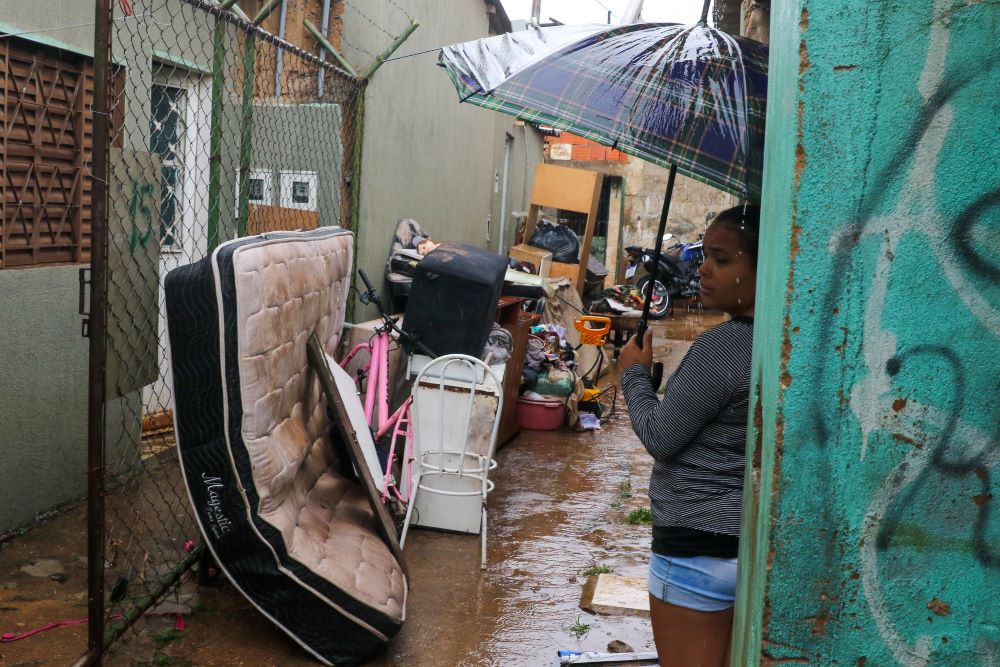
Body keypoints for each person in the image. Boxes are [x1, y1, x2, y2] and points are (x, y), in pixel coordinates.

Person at [617, 204, 760, 667]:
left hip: (694, 555)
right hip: (744, 547)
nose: (704, 268)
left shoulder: (724, 347)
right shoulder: (776, 342)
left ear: (760, 268)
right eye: (706, 256)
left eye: (722, 258)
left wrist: (633, 375)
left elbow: (661, 437)